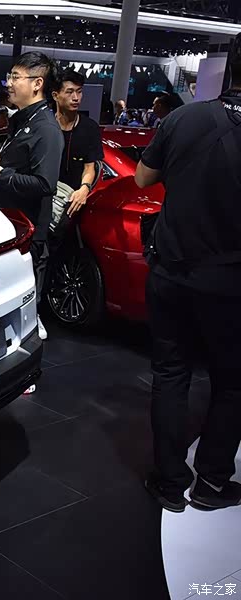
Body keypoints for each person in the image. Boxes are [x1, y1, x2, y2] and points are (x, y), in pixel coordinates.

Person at [137, 33, 241, 514]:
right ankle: (212, 482)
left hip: (171, 270)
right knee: (233, 382)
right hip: (230, 282)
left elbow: (143, 178)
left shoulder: (183, 118)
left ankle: (169, 482)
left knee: (170, 374)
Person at [0, 51, 64, 343]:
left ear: (37, 83)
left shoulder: (46, 129)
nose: (10, 83)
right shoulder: (21, 120)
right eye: (10, 76)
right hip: (9, 225)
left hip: (28, 232)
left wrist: (1, 175)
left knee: (25, 306)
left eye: (16, 77)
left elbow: (45, 184)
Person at [52, 69, 104, 218]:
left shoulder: (90, 128)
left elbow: (89, 167)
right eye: (69, 92)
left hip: (73, 201)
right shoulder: (45, 126)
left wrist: (84, 189)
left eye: (79, 92)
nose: (76, 98)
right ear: (55, 95)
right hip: (44, 197)